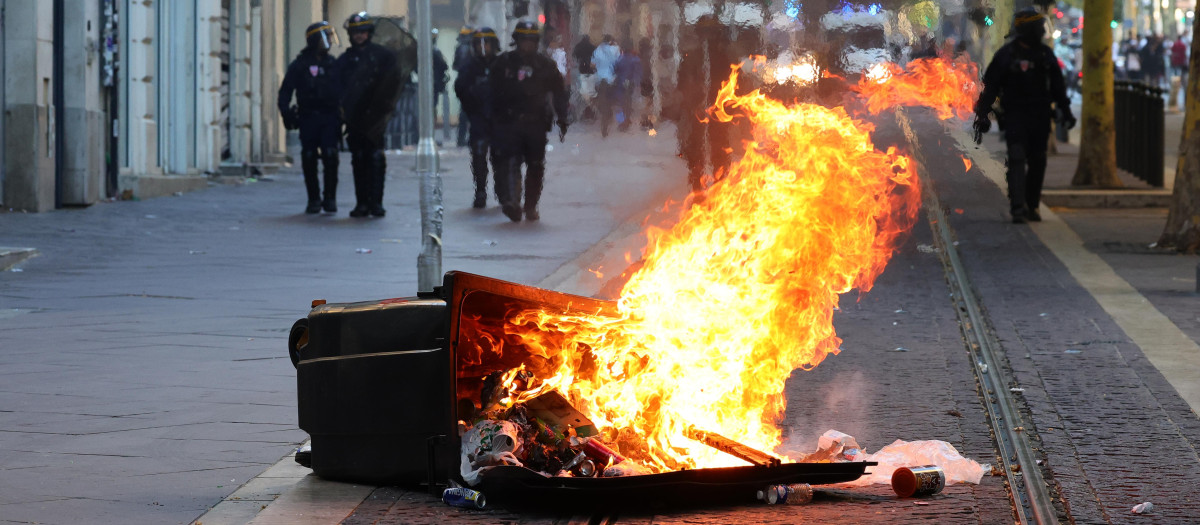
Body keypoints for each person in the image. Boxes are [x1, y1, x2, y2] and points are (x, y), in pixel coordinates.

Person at [972, 7, 1074, 224]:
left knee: (1038, 161)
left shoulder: (1046, 55)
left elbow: (1058, 86)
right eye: (1037, 28)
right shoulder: (1006, 56)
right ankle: (1018, 206)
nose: (1040, 32)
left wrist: (1066, 111)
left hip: (1040, 116)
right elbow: (990, 87)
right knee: (1017, 158)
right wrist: (982, 113)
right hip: (1015, 116)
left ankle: (1033, 205)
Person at [488, 21, 569, 222]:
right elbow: (490, 92)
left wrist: (563, 118)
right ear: (516, 41)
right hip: (509, 122)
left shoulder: (545, 65)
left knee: (535, 165)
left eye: (530, 40)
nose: (526, 44)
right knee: (510, 162)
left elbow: (559, 93)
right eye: (523, 40)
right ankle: (512, 203)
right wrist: (492, 119)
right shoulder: (503, 63)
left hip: (536, 124)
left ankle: (530, 205)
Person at [337, 12, 403, 218]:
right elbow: (337, 87)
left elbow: (395, 81)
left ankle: (376, 202)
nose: (359, 36)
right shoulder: (345, 60)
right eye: (355, 32)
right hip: (355, 117)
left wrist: (386, 106)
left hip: (376, 115)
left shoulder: (383, 56)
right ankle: (362, 203)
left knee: (375, 158)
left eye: (362, 32)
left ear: (369, 33)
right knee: (358, 159)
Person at [278, 21, 342, 214]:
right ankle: (313, 198)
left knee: (331, 155)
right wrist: (286, 112)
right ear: (316, 39)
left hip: (330, 116)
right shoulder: (300, 65)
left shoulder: (333, 64)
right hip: (308, 116)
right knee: (308, 156)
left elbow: (345, 90)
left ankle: (330, 198)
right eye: (326, 37)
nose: (329, 41)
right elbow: (285, 92)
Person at [454, 27, 501, 208]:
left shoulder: (501, 64)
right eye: (479, 44)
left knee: (500, 155)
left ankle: (501, 189)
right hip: (479, 117)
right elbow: (460, 89)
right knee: (479, 154)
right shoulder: (469, 66)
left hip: (499, 118)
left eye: (486, 43)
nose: (483, 47)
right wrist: (472, 104)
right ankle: (480, 190)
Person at [590, 35, 620, 137]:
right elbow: (618, 64)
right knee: (610, 102)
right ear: (611, 41)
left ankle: (605, 121)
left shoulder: (598, 50)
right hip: (611, 81)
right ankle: (608, 120)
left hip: (600, 80)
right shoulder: (615, 49)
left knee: (603, 102)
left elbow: (592, 65)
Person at [452, 25, 475, 147]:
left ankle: (460, 139)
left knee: (463, 113)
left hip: (462, 83)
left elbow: (455, 66)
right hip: (472, 83)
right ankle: (470, 139)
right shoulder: (474, 49)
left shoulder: (459, 48)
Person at [613, 41, 642, 132]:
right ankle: (627, 119)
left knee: (621, 103)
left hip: (621, 84)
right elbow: (638, 73)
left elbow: (615, 70)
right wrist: (636, 82)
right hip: (630, 84)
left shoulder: (619, 59)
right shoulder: (635, 59)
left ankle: (622, 121)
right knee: (628, 101)